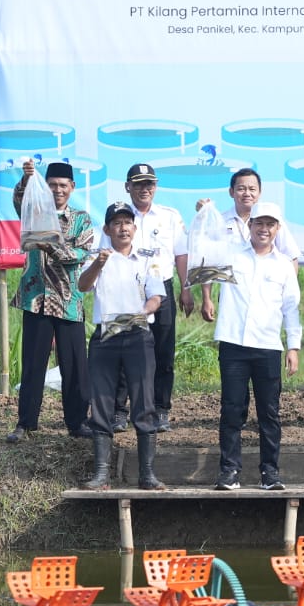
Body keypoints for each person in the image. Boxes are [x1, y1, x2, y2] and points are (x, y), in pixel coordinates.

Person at [213, 202, 303, 491]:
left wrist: (293, 347)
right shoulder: (230, 256)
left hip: (267, 346)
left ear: (278, 229)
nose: (264, 229)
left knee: (269, 412)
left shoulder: (284, 265)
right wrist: (207, 215)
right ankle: (229, 470)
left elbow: (291, 308)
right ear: (249, 225)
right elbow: (203, 255)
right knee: (231, 409)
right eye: (259, 223)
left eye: (270, 224)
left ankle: (270, 472)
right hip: (233, 343)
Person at [78, 201, 166, 491]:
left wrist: (144, 310)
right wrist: (98, 264)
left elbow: (156, 296)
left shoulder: (147, 257)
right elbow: (83, 286)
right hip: (106, 336)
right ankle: (102, 473)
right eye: (116, 223)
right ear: (107, 229)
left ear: (134, 228)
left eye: (127, 222)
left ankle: (147, 473)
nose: (123, 228)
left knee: (144, 401)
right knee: (101, 401)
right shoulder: (97, 256)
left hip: (138, 335)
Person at [7, 160, 94, 441]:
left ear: (72, 187)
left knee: (75, 366)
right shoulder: (34, 211)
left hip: (69, 301)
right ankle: (26, 423)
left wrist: (50, 247)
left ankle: (77, 423)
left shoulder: (81, 219)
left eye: (63, 185)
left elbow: (80, 255)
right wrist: (26, 179)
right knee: (33, 365)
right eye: (52, 185)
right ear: (45, 187)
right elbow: (18, 200)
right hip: (36, 299)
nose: (58, 190)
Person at [107, 162, 192, 433]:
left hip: (162, 288)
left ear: (155, 187)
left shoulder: (169, 216)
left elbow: (181, 254)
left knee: (163, 351)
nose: (144, 189)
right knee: (123, 350)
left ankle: (160, 409)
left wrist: (186, 288)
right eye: (138, 184)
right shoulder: (120, 215)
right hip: (127, 289)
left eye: (149, 184)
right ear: (127, 186)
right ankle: (119, 411)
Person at [197, 167, 301, 321]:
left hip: (267, 297)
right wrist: (207, 298)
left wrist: (286, 293)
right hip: (232, 298)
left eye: (252, 189)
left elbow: (291, 258)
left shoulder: (274, 222)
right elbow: (209, 261)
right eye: (241, 189)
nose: (247, 193)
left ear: (259, 193)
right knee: (231, 334)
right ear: (231, 192)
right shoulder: (220, 222)